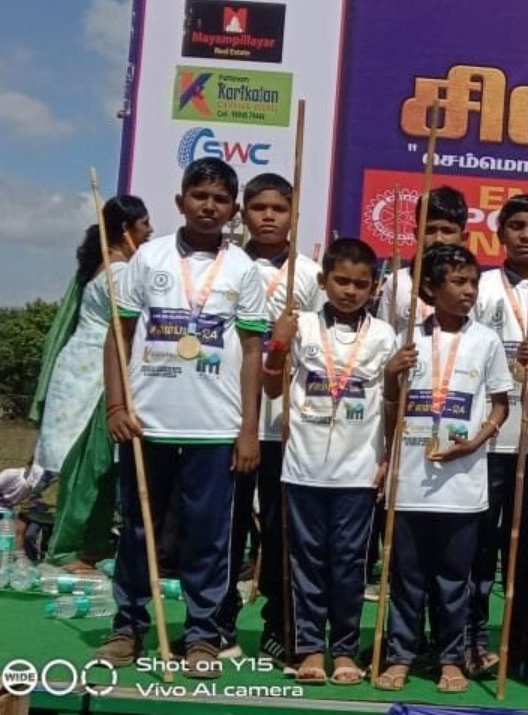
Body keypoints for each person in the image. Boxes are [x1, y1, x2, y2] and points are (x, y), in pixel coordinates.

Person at [96, 157, 267, 678]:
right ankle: (127, 628)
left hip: (215, 427)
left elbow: (253, 352)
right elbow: (120, 335)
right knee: (139, 531)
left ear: (233, 210)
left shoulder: (243, 269)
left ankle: (202, 636)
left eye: (220, 199)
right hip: (147, 423)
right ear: (180, 201)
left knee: (208, 537)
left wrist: (248, 430)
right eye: (199, 196)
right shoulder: (147, 258)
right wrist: (116, 405)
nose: (208, 206)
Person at [375, 243, 513, 693]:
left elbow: (500, 404)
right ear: (430, 289)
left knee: (454, 579)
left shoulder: (486, 340)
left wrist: (477, 440)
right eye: (458, 282)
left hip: (462, 482)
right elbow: (390, 409)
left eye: (473, 282)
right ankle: (400, 654)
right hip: (410, 480)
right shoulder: (406, 338)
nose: (469, 290)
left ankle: (450, 658)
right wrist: (390, 375)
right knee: (407, 576)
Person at [263, 238, 401, 685]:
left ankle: (343, 648)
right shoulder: (300, 324)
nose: (350, 291)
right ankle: (308, 647)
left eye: (361, 284)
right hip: (303, 467)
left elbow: (392, 402)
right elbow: (271, 389)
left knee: (348, 563)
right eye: (341, 281)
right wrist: (279, 345)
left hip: (358, 469)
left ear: (374, 287)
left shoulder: (383, 335)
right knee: (305, 562)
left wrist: (388, 455)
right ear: (323, 280)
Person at [220, 172, 324, 662]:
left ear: (293, 216)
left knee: (283, 531)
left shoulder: (310, 275)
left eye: (278, 209)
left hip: (286, 421)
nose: (267, 216)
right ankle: (217, 621)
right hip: (231, 416)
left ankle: (279, 623)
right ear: (242, 213)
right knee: (228, 526)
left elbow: (324, 348)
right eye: (258, 207)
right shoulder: (225, 266)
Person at [466, 194, 528, 675]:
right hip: (489, 435)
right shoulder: (481, 286)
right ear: (500, 232)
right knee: (480, 544)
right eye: (518, 225)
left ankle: (522, 644)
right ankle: (470, 639)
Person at [29, 196, 152, 571]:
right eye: (144, 224)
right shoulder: (120, 273)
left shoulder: (101, 266)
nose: (150, 231)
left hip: (81, 368)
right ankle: (72, 547)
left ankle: (91, 543)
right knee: (87, 464)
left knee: (95, 464)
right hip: (95, 374)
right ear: (126, 229)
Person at [379, 186, 468, 335]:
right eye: (430, 230)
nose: (438, 239)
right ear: (416, 234)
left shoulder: (474, 286)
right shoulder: (397, 282)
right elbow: (385, 339)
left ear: (463, 237)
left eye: (447, 231)